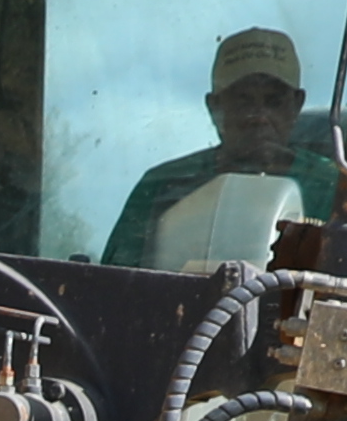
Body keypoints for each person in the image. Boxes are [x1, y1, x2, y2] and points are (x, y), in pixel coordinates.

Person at [102, 28, 318, 271]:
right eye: (243, 101)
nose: (259, 117)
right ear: (214, 107)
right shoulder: (162, 187)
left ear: (296, 105)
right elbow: (116, 283)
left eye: (273, 101)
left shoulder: (337, 190)